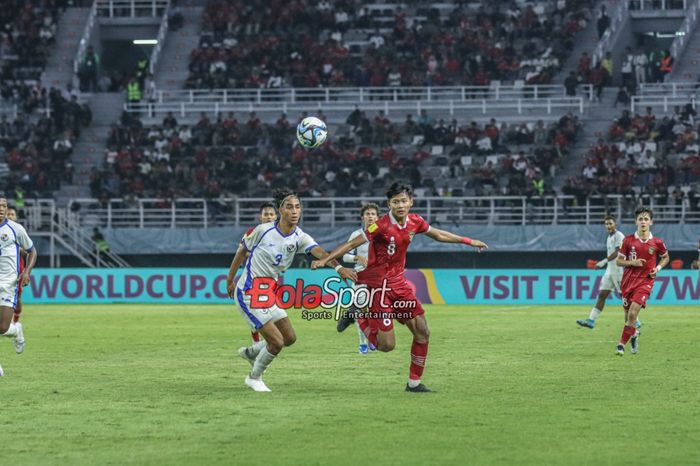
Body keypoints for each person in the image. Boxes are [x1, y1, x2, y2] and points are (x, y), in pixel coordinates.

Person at [312, 182, 488, 392]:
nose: (400, 205)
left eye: (404, 201)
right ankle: (359, 314)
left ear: (411, 202)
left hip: (400, 285)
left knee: (423, 331)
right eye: (396, 202)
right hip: (378, 286)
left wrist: (469, 241)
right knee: (386, 346)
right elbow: (351, 244)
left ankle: (413, 383)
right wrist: (327, 260)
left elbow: (438, 234)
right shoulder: (380, 225)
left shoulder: (416, 222)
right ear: (389, 204)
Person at [231, 189, 356, 392]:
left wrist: (339, 267)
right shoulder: (263, 230)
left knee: (289, 338)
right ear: (281, 210)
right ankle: (254, 377)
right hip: (249, 292)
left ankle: (252, 352)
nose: (295, 211)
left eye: (298, 207)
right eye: (289, 207)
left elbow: (321, 253)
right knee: (276, 343)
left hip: (269, 293)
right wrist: (230, 280)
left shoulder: (300, 236)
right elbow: (241, 252)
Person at [614, 207, 670, 356]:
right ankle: (634, 334)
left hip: (645, 282)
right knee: (627, 316)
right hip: (627, 282)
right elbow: (619, 262)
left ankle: (620, 345)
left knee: (633, 313)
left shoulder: (657, 242)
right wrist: (633, 262)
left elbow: (666, 257)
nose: (643, 222)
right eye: (640, 219)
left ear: (651, 222)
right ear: (636, 221)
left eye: (646, 219)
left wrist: (657, 269)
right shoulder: (627, 240)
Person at [226, 202, 278, 344]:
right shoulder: (253, 233)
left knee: (267, 313)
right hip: (253, 279)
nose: (268, 217)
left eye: (271, 214)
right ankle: (258, 344)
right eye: (265, 214)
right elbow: (242, 252)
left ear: (276, 216)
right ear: (260, 217)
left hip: (271, 280)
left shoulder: (281, 235)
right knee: (257, 311)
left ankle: (262, 343)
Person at [576, 216, 640, 329]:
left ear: (615, 224)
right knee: (602, 295)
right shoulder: (609, 237)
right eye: (606, 224)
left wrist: (603, 262)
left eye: (610, 223)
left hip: (619, 271)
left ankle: (635, 320)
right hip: (610, 271)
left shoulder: (619, 236)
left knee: (624, 297)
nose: (608, 226)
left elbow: (618, 251)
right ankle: (591, 320)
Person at [0, 198, 37, 376]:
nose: (1, 209)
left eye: (3, 206)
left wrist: (27, 272)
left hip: (8, 284)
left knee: (2, 327)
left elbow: (32, 251)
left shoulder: (15, 229)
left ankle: (16, 330)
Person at [337, 203, 380, 354]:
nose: (370, 216)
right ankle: (362, 343)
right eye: (367, 214)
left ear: (377, 217)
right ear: (362, 217)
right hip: (360, 277)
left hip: (379, 278)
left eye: (373, 214)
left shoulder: (383, 234)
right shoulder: (356, 235)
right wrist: (357, 257)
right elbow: (344, 256)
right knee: (362, 310)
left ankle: (373, 338)